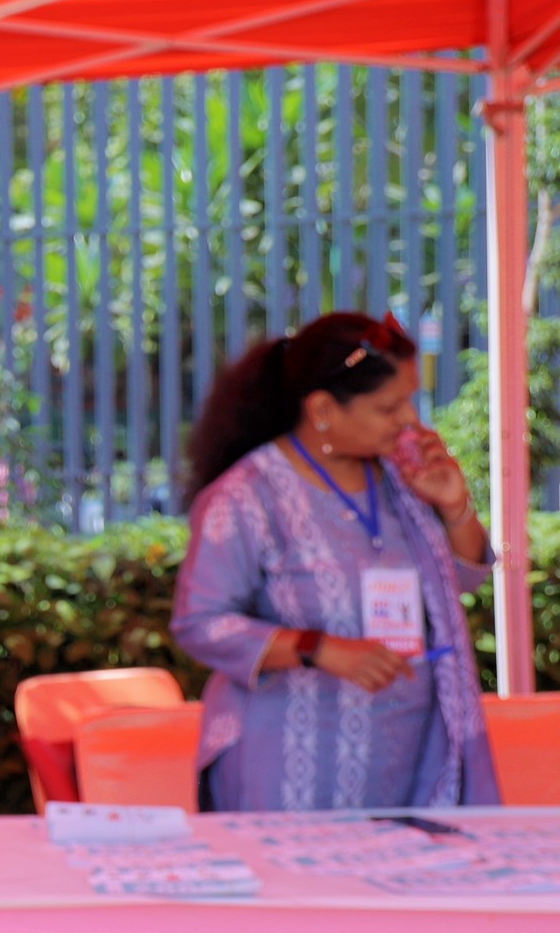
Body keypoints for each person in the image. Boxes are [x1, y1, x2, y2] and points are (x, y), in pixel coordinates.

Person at [173, 311, 498, 810]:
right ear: (323, 409)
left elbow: (452, 587)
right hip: (285, 763)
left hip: (405, 757)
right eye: (389, 407)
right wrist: (317, 648)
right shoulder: (245, 498)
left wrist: (455, 507)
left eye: (411, 400)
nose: (410, 420)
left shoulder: (400, 480)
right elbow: (200, 623)